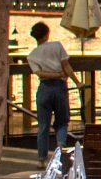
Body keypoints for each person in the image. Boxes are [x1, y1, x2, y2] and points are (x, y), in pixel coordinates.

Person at [25, 21, 71, 159]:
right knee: (62, 121)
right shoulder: (57, 46)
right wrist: (73, 79)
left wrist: (52, 75)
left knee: (43, 125)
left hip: (44, 88)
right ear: (47, 34)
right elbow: (66, 65)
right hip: (59, 87)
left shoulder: (32, 55)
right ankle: (61, 147)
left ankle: (41, 158)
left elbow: (39, 74)